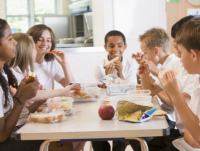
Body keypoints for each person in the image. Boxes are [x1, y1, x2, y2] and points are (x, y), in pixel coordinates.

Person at [0, 18, 77, 151]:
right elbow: (2, 136)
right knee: (61, 142)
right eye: (10, 39)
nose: (15, 43)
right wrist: (21, 98)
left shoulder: (5, 74)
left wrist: (31, 101)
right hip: (10, 137)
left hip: (18, 127)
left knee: (66, 139)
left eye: (49, 40)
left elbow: (73, 86)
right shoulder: (11, 73)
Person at [137, 27, 197, 150]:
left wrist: (159, 75)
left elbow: (181, 103)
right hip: (184, 131)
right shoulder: (173, 65)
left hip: (178, 127)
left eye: (180, 51)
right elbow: (150, 91)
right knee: (139, 138)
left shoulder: (183, 68)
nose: (178, 56)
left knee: (141, 139)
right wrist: (145, 72)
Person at [27, 24, 85, 151]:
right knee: (68, 139)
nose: (45, 43)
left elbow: (71, 87)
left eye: (48, 40)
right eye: (40, 39)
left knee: (83, 133)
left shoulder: (50, 62)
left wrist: (64, 64)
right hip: (33, 112)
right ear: (30, 41)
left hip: (48, 109)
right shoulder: (25, 64)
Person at [93, 30, 137, 151]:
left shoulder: (131, 64)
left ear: (125, 47)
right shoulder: (99, 67)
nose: (115, 49)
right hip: (106, 106)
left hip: (126, 105)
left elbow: (131, 90)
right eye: (111, 46)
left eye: (119, 45)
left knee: (119, 140)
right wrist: (108, 78)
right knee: (96, 138)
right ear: (105, 47)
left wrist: (120, 74)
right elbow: (101, 93)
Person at [160, 17, 200, 149]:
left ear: (193, 55)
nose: (180, 59)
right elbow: (194, 120)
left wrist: (175, 94)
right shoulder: (197, 79)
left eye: (181, 52)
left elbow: (198, 135)